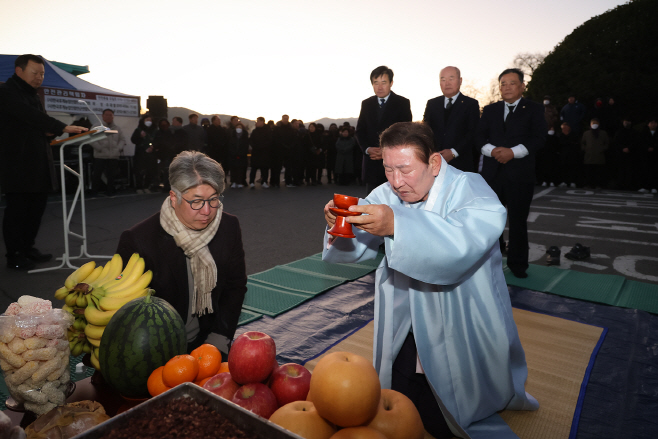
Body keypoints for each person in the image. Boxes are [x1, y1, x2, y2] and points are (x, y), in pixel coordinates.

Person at [321, 122, 538, 439]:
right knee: (394, 399)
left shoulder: (471, 188)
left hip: (461, 313)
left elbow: (461, 246)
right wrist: (342, 225)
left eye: (405, 170)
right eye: (388, 170)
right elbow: (354, 250)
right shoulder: (386, 193)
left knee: (445, 416)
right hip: (405, 312)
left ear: (435, 163)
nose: (396, 183)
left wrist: (397, 224)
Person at [116, 151, 247, 355]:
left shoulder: (228, 226)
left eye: (213, 199)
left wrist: (218, 340)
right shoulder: (139, 240)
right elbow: (128, 313)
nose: (207, 211)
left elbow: (235, 286)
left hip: (208, 340)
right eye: (196, 201)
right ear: (174, 197)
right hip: (155, 349)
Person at [0, 54, 88, 270]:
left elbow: (36, 124)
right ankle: (15, 254)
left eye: (42, 74)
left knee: (36, 208)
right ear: (19, 71)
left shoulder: (34, 95)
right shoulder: (7, 92)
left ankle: (28, 247)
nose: (39, 78)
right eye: (35, 73)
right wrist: (61, 126)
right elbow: (27, 116)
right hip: (18, 163)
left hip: (38, 162)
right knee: (18, 210)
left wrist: (50, 132)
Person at [476, 68, 547, 279]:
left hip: (520, 175)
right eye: (503, 83)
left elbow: (539, 137)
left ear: (522, 86)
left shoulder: (534, 109)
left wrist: (513, 153)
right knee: (491, 222)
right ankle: (490, 262)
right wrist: (494, 151)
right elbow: (478, 137)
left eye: (512, 83)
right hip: (492, 175)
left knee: (517, 221)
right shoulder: (490, 110)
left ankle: (518, 265)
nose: (506, 87)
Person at [356, 66, 412, 193]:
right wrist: (367, 149)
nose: (379, 87)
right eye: (376, 83)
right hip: (371, 163)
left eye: (383, 82)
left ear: (391, 83)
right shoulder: (366, 104)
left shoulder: (402, 103)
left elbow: (406, 133)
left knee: (395, 205)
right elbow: (360, 131)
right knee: (372, 203)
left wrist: (387, 151)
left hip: (395, 164)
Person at [422, 66, 480, 172]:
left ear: (460, 81)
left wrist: (454, 152)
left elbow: (473, 132)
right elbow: (425, 131)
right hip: (434, 163)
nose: (447, 83)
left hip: (461, 163)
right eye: (443, 80)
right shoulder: (432, 104)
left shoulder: (470, 104)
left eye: (451, 79)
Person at [91, 109, 126, 196]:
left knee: (112, 175)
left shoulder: (117, 128)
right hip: (100, 155)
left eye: (111, 115)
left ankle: (110, 191)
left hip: (113, 156)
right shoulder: (96, 127)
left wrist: (118, 148)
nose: (109, 117)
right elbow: (91, 139)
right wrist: (99, 148)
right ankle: (94, 192)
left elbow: (122, 139)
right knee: (97, 174)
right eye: (107, 115)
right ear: (102, 116)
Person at [130, 114, 158, 193]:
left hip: (151, 153)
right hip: (140, 153)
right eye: (147, 120)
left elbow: (159, 140)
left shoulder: (155, 130)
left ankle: (146, 186)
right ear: (143, 121)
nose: (149, 122)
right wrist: (140, 137)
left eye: (150, 120)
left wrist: (153, 147)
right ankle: (139, 187)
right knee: (139, 170)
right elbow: (133, 140)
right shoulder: (139, 130)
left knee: (150, 170)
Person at [581, 118, 609, 189]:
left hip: (599, 156)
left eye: (596, 123)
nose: (594, 124)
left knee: (598, 172)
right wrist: (585, 149)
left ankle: (598, 185)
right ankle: (588, 184)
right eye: (593, 123)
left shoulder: (603, 133)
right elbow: (582, 143)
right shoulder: (586, 133)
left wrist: (602, 149)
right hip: (589, 156)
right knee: (589, 172)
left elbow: (607, 143)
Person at [249, 117, 272, 188]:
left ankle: (264, 181)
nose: (257, 123)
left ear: (262, 122)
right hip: (256, 152)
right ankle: (251, 182)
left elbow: (270, 141)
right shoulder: (254, 131)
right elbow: (251, 140)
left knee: (264, 168)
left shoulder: (268, 131)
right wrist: (254, 146)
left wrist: (263, 146)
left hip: (265, 152)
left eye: (258, 121)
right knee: (254, 168)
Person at [228, 122, 249, 188]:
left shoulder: (245, 136)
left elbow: (246, 146)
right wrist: (233, 152)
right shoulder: (232, 136)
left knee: (241, 169)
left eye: (240, 127)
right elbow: (230, 145)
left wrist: (242, 153)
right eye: (237, 127)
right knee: (233, 169)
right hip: (233, 155)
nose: (238, 128)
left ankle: (239, 182)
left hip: (242, 155)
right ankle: (233, 182)